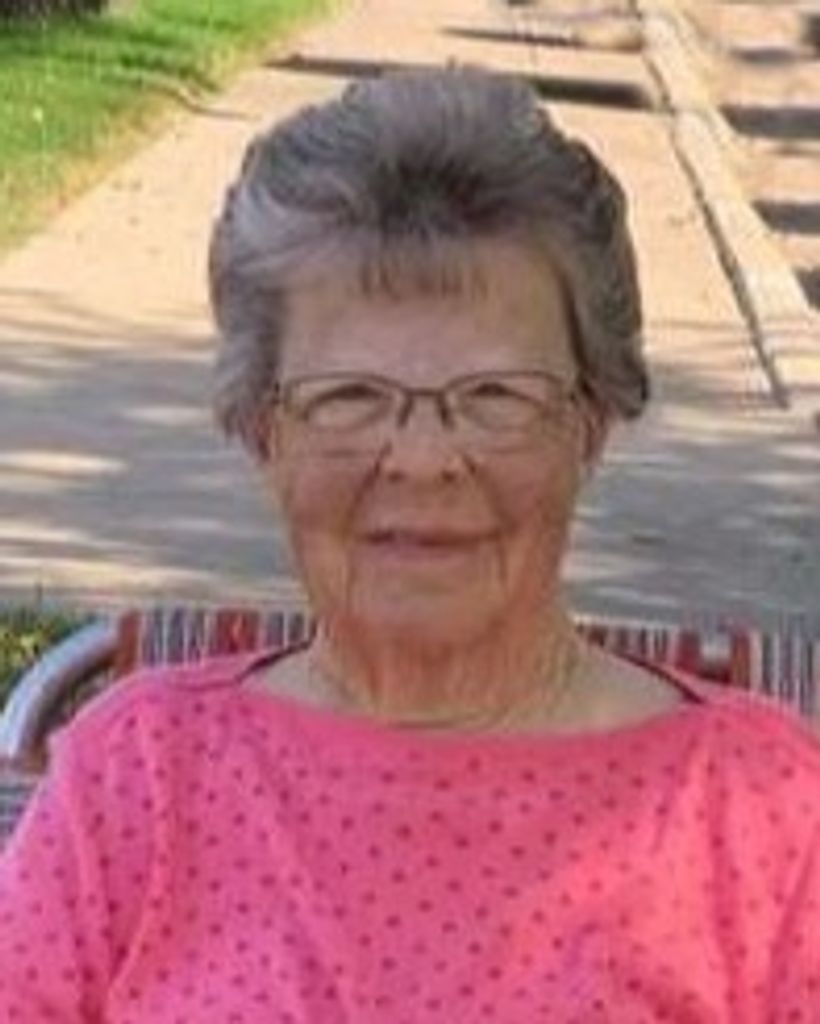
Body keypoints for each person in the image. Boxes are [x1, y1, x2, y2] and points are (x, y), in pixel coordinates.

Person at [1, 65, 819, 1022]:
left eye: (496, 396)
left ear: (591, 424)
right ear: (264, 431)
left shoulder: (762, 812)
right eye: (351, 396)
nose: (424, 460)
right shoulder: (137, 777)